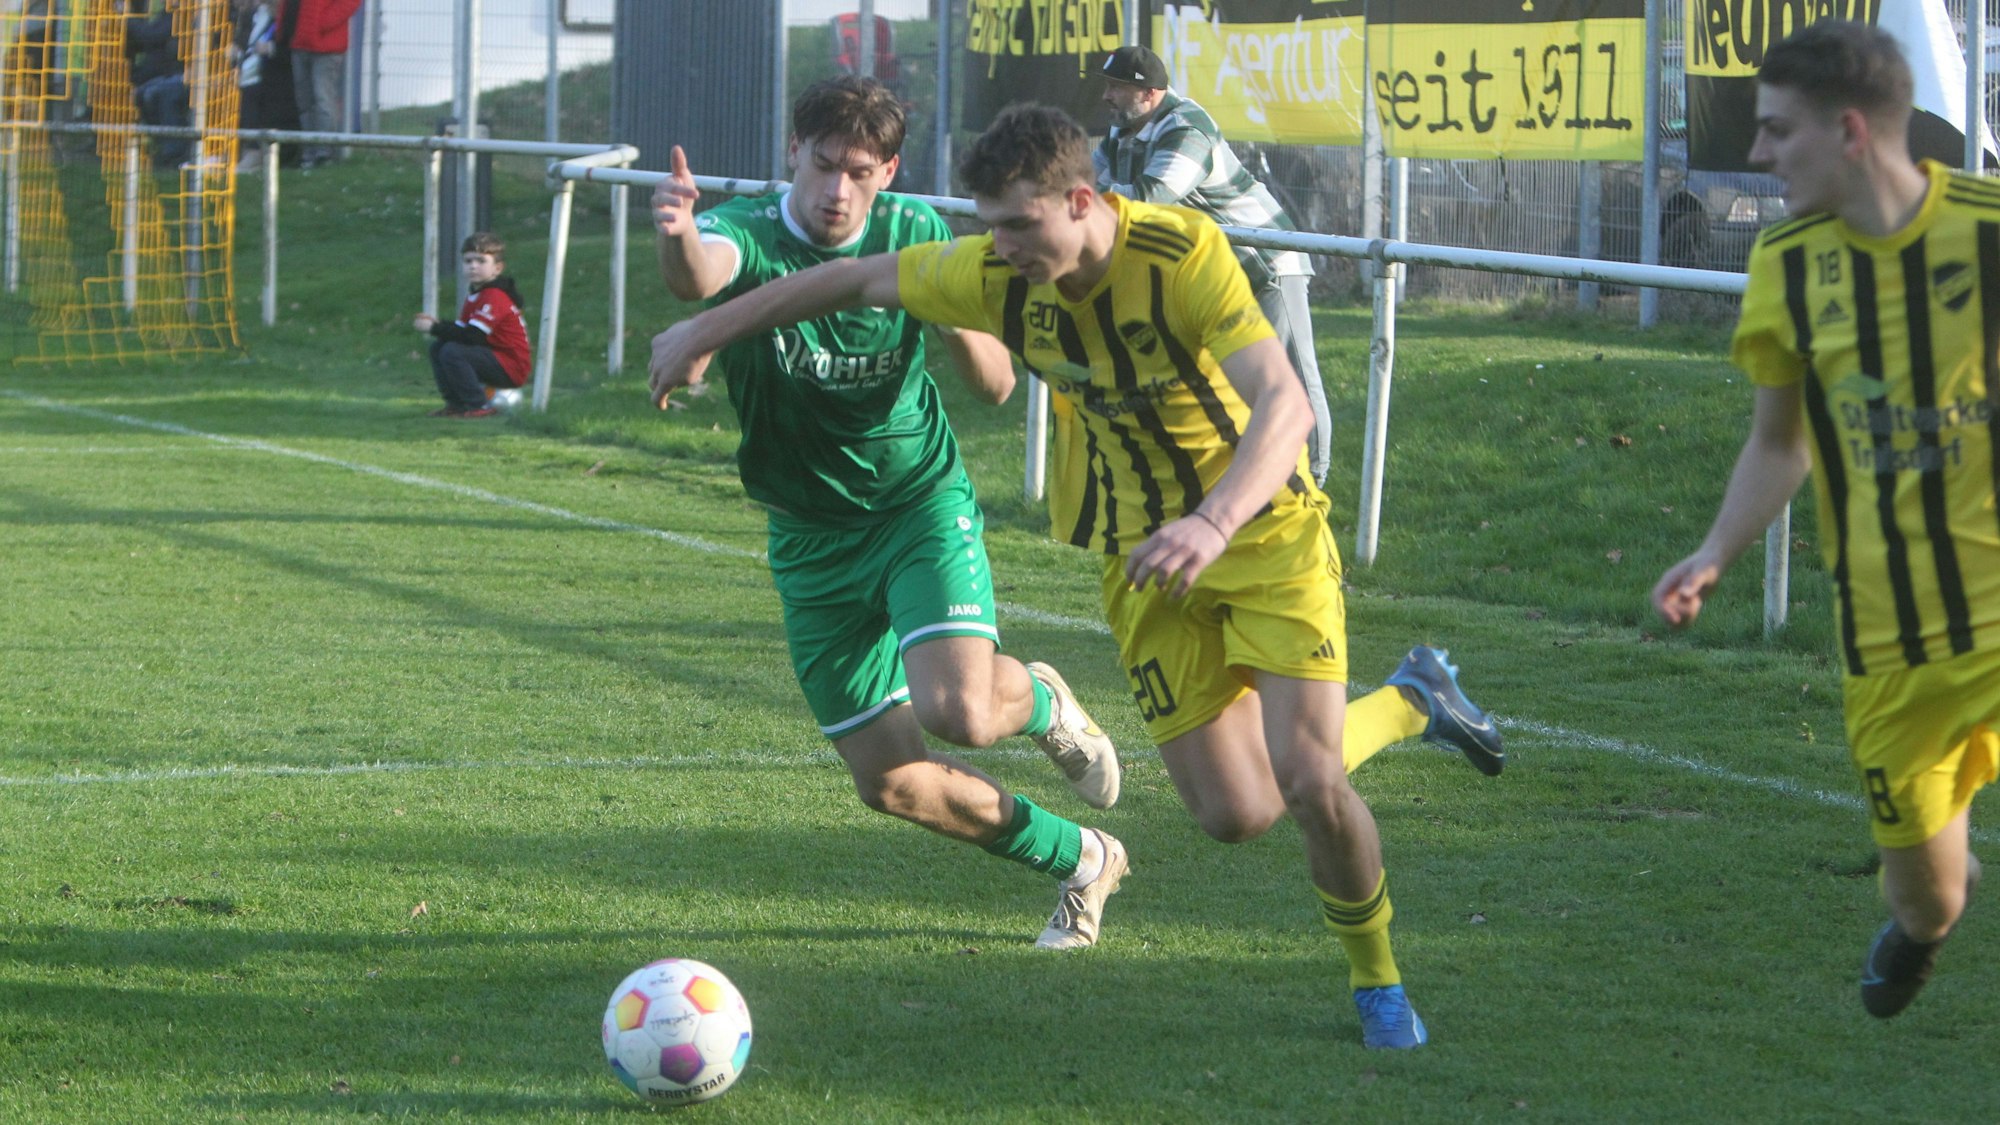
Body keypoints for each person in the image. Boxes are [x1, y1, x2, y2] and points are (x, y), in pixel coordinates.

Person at [649, 103, 1506, 1049]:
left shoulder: (1181, 256)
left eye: (1018, 225)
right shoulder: (993, 269)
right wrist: (702, 332)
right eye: (988, 225)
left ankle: (1376, 982)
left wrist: (1213, 521)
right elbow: (850, 282)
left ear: (1082, 198)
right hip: (1140, 560)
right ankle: (1416, 698)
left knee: (1308, 781)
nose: (999, 245)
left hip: (1259, 535)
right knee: (1236, 813)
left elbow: (1286, 404)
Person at [647, 76, 1131, 952]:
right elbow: (700, 278)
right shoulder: (748, 230)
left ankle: (1036, 701)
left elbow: (991, 386)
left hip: (914, 504)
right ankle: (1085, 858)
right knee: (891, 782)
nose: (836, 190)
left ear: (889, 171)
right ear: (793, 153)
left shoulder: (915, 234)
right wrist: (679, 236)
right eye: (823, 164)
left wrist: (946, 307)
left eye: (858, 172)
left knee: (963, 712)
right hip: (806, 534)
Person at [1652, 20, 1992, 1020]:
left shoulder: (1989, 233)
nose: (1754, 154)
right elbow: (1777, 442)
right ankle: (1923, 924)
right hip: (1889, 640)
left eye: (1772, 131)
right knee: (1926, 892)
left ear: (1848, 131)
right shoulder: (1787, 266)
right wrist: (1714, 550)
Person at [1093, 44, 1333, 486]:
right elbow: (1099, 198)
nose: (1105, 96)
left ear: (1148, 94)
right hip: (1213, 278)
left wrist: (1081, 203)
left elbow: (1147, 199)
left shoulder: (1188, 127)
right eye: (1106, 86)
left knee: (1290, 378)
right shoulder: (1119, 133)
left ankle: (1313, 478)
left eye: (1116, 88)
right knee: (1225, 384)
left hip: (1266, 267)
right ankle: (1240, 480)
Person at [414, 232, 530, 418]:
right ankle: (456, 404)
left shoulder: (495, 296)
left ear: (497, 268)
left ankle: (477, 405)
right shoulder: (477, 294)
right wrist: (438, 324)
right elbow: (462, 330)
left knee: (452, 351)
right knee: (439, 347)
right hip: (492, 357)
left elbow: (474, 336)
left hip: (510, 366)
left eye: (481, 261)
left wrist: (434, 328)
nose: (473, 266)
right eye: (468, 261)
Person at [285, 0, 360, 168]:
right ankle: (310, 151)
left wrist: (321, 22)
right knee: (305, 101)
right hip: (300, 40)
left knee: (322, 99)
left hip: (325, 43)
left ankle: (323, 152)